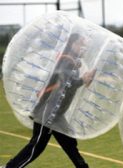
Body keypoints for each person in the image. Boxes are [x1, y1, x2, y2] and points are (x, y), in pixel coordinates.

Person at [4, 33, 96, 168]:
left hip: (57, 114)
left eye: (84, 45)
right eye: (80, 44)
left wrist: (83, 79)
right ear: (72, 44)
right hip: (47, 112)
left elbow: (68, 84)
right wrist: (83, 80)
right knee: (37, 146)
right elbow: (66, 83)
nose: (83, 48)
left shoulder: (71, 62)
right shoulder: (65, 61)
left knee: (69, 144)